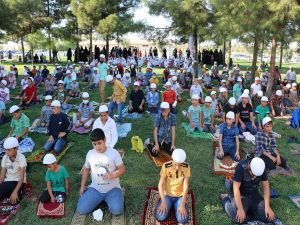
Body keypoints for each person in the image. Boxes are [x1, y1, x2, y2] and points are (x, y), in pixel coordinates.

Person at [77, 128, 125, 215]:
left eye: (99, 143)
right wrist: (82, 186)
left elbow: (122, 169)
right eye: (94, 144)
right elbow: (86, 169)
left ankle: (112, 198)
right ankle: (96, 197)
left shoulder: (114, 153)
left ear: (105, 140)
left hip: (112, 189)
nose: (97, 147)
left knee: (117, 210)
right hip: (96, 189)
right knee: (81, 210)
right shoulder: (90, 154)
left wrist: (113, 175)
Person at [220, 157, 280, 224]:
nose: (254, 177)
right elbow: (236, 188)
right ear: (249, 166)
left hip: (253, 194)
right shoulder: (241, 167)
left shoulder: (262, 168)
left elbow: (266, 188)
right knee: (237, 218)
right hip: (240, 194)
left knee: (267, 217)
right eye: (253, 174)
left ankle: (247, 210)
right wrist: (240, 209)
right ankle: (224, 198)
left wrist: (267, 207)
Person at [156, 149, 190, 224]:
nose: (177, 167)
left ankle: (181, 205)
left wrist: (182, 205)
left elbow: (186, 186)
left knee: (182, 219)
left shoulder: (186, 167)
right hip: (167, 195)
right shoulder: (166, 166)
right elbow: (160, 184)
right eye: (176, 164)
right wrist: (163, 201)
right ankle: (164, 203)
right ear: (172, 158)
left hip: (179, 196)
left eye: (180, 164)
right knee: (160, 217)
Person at [0, 137, 27, 203]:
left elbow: (21, 178)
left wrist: (15, 192)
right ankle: (11, 193)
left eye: (9, 150)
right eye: (6, 150)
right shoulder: (5, 157)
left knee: (15, 200)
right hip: (8, 181)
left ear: (16, 149)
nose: (7, 152)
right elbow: (2, 176)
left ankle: (15, 193)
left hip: (18, 181)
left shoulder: (21, 158)